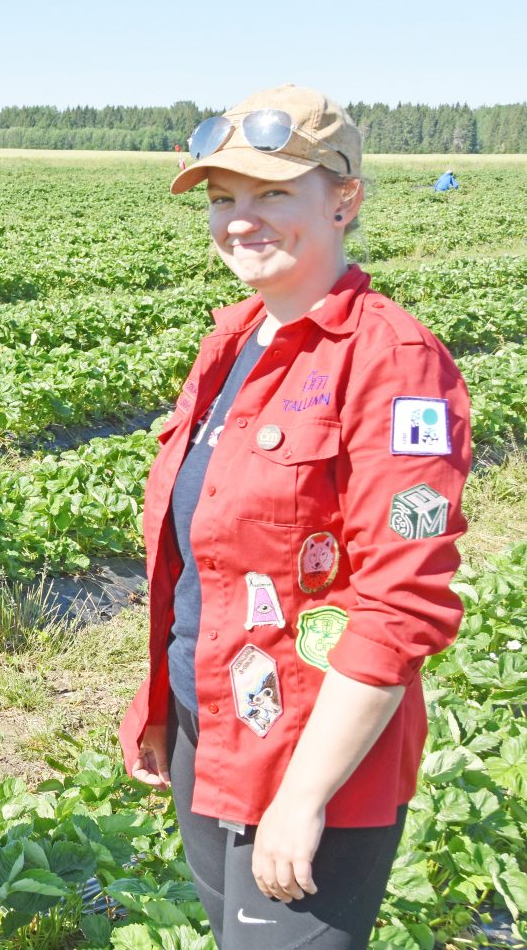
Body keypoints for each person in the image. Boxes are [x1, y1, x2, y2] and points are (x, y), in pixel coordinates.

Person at [119, 85, 471, 948]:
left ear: (344, 199)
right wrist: (162, 706)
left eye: (273, 193)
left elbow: (400, 604)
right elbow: (201, 557)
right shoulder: (234, 343)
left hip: (310, 755)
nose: (240, 219)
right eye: (222, 197)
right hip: (210, 724)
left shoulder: (394, 362)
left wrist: (304, 795)